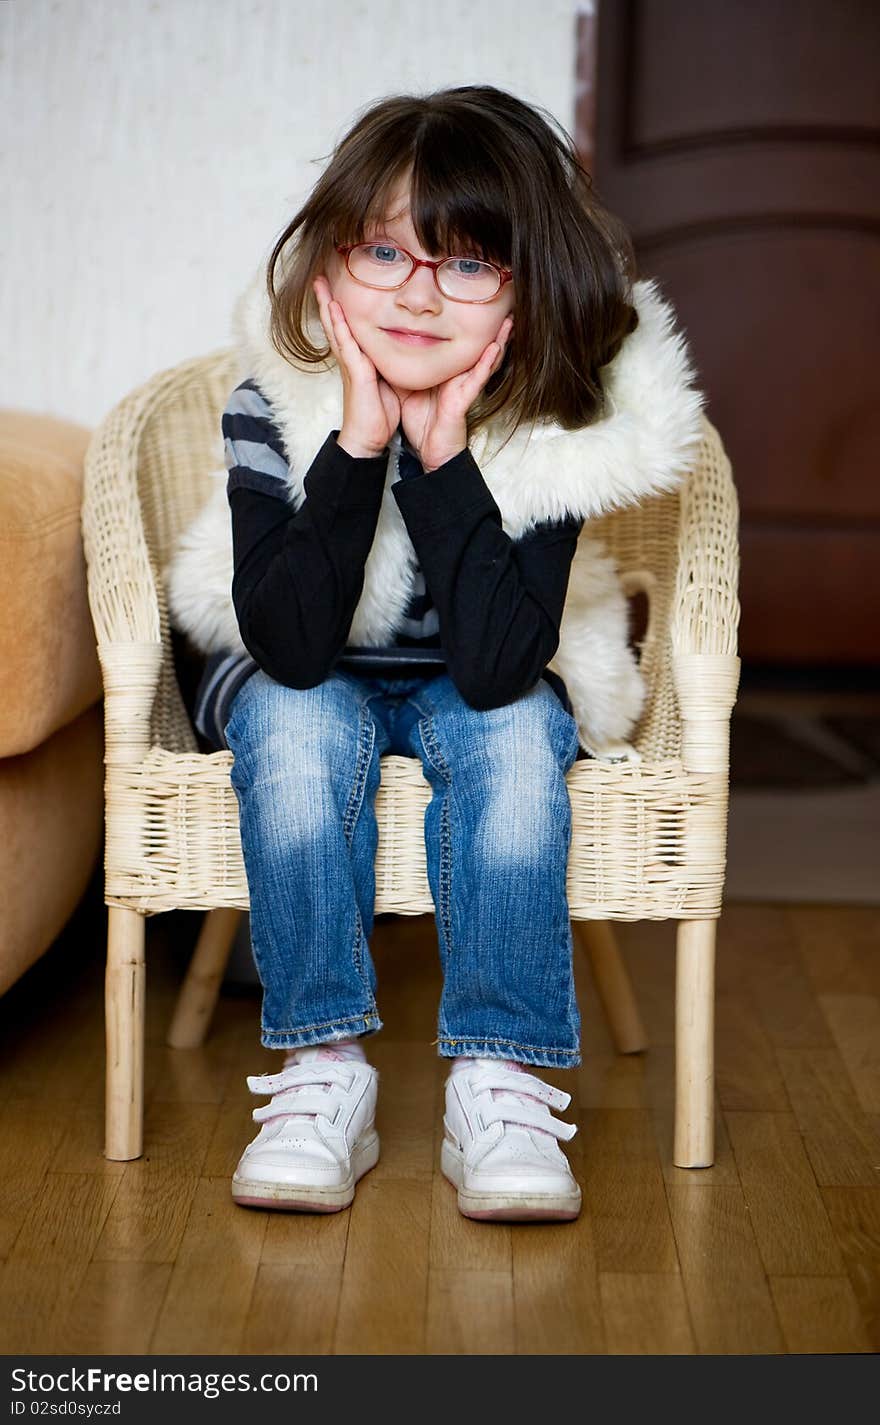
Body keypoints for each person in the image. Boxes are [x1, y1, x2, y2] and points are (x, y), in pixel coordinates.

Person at [165, 84, 703, 1222]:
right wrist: (360, 444)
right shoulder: (278, 403)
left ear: (524, 284)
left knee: (515, 734)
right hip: (304, 667)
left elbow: (502, 666)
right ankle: (322, 1072)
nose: (416, 294)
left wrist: (447, 455)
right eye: (383, 254)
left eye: (465, 265)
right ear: (327, 268)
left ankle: (499, 1081)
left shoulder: (552, 420)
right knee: (295, 724)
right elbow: (294, 647)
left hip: (476, 673)